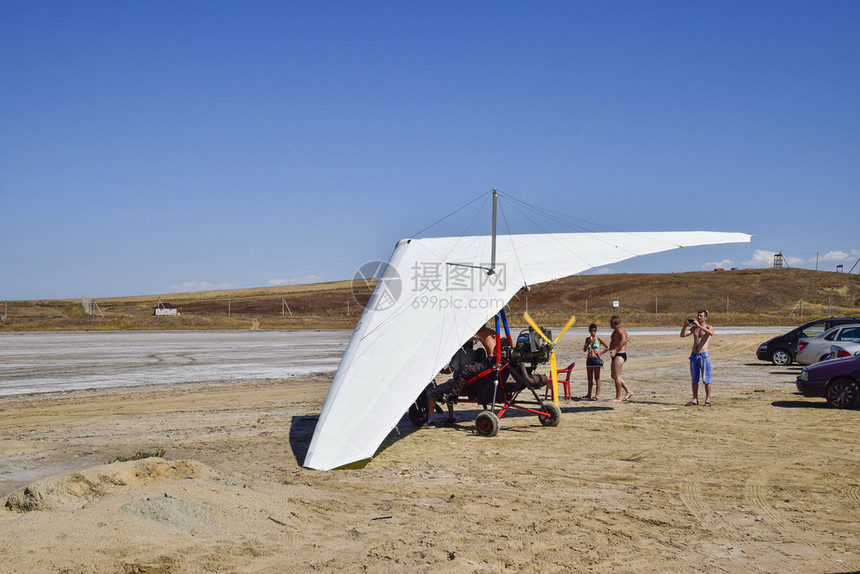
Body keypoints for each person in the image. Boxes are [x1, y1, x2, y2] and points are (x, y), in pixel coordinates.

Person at [424, 326, 496, 426]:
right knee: (450, 386)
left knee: (432, 392)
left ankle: (431, 419)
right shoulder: (477, 353)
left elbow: (449, 371)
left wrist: (438, 370)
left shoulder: (460, 353)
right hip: (474, 382)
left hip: (461, 384)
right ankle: (450, 416)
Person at [680, 309, 714, 406]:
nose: (699, 317)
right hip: (694, 355)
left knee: (706, 379)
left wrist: (699, 325)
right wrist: (684, 327)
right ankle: (695, 399)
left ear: (705, 317)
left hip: (703, 355)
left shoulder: (708, 327)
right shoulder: (694, 328)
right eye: (698, 316)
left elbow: (711, 333)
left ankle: (708, 399)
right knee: (694, 379)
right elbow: (682, 335)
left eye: (701, 316)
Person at [608, 315, 633, 402]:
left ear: (614, 323)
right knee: (613, 375)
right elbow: (626, 338)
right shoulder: (617, 330)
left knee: (616, 376)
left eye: (610, 323)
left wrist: (615, 350)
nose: (609, 324)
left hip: (620, 354)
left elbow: (623, 339)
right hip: (616, 355)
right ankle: (628, 391)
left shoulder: (619, 329)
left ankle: (618, 397)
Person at [582, 323, 609, 400]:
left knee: (597, 377)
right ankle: (589, 394)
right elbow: (584, 350)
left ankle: (597, 395)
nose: (592, 332)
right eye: (591, 330)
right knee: (589, 378)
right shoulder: (587, 339)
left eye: (594, 330)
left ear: (596, 331)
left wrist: (600, 353)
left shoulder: (598, 339)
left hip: (596, 359)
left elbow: (607, 347)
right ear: (589, 331)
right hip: (589, 359)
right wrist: (588, 343)